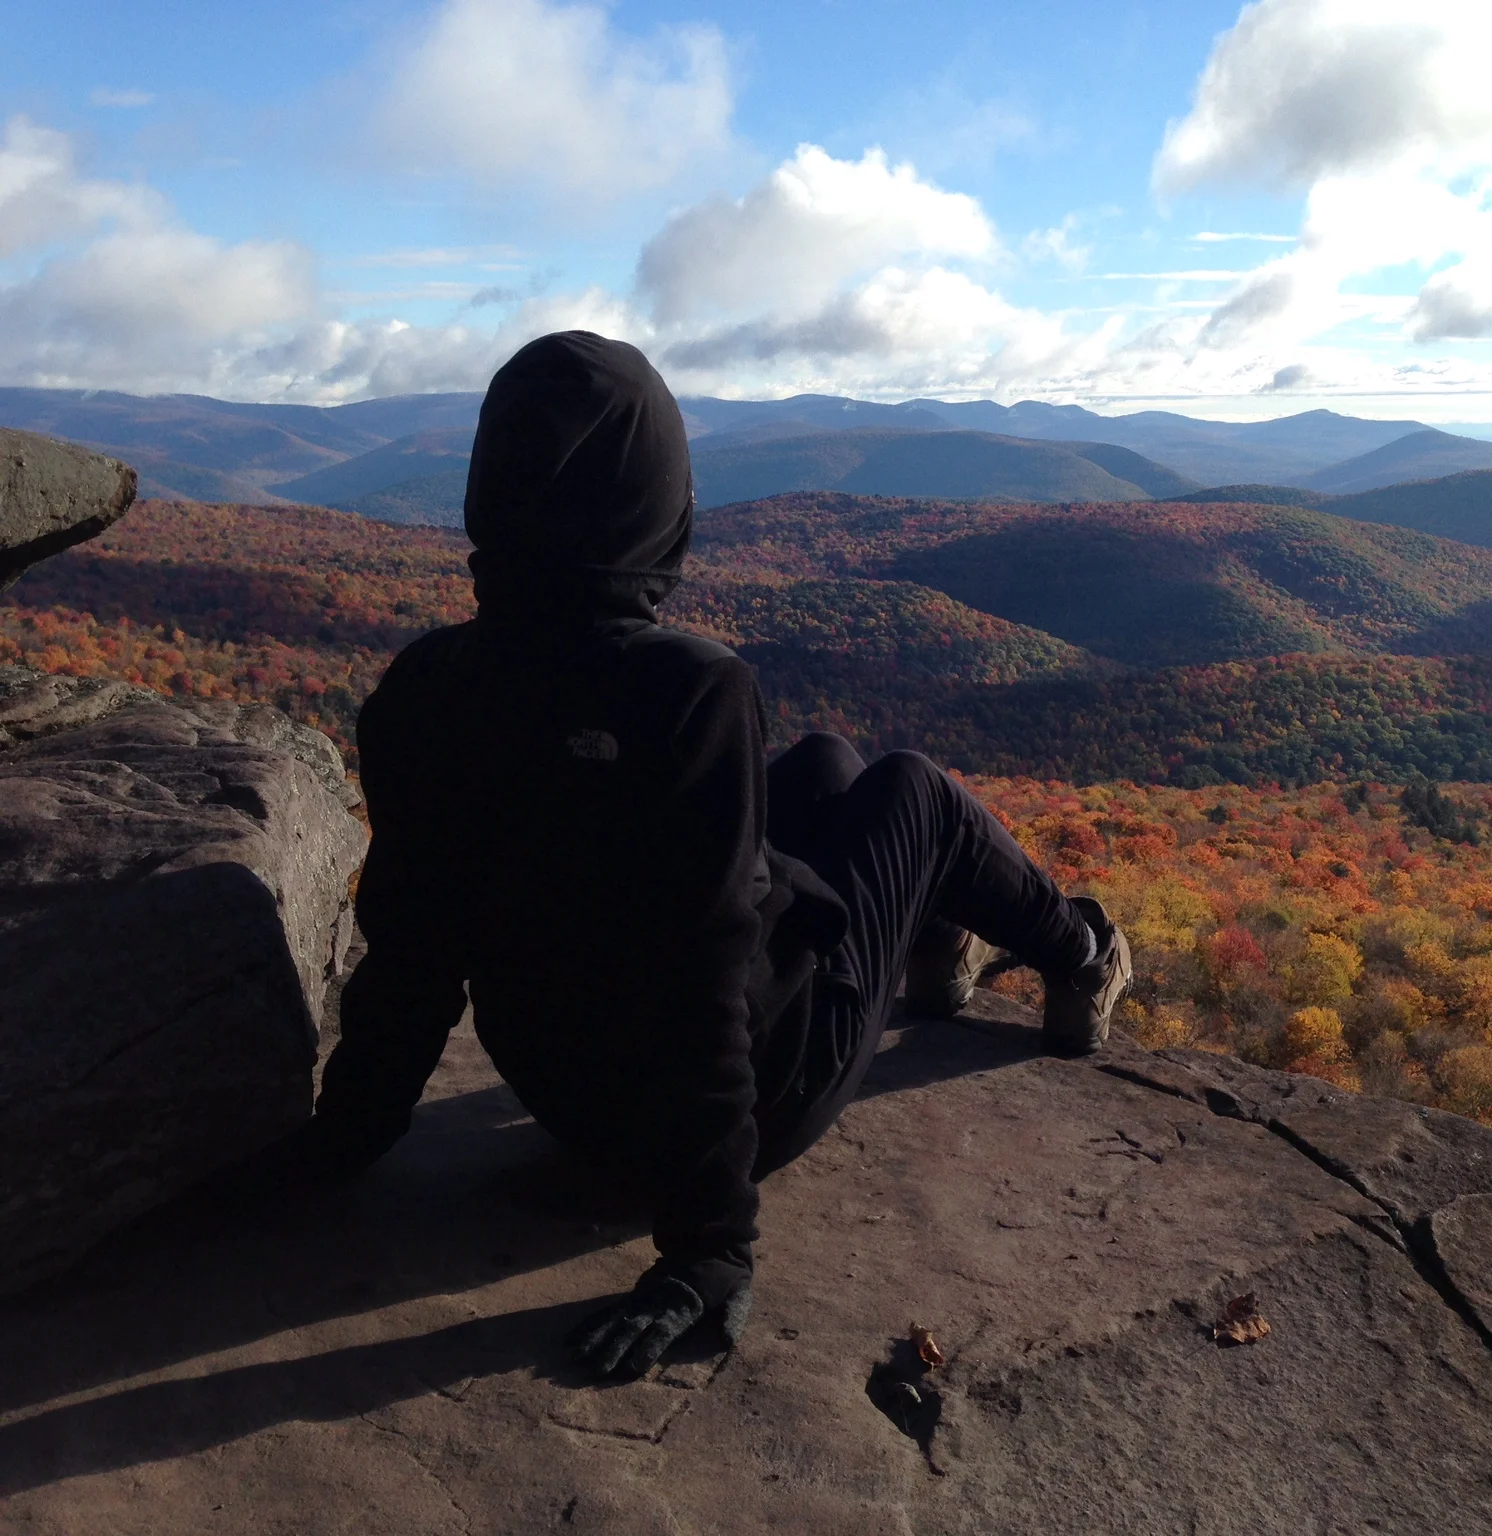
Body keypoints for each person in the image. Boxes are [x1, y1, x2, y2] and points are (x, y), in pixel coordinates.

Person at [255, 331, 1131, 1380]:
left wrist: (342, 1141)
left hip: (572, 1102)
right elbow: (698, 980)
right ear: (656, 499)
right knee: (911, 791)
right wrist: (706, 1250)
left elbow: (410, 946)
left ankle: (944, 945)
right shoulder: (685, 688)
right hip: (762, 1096)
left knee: (818, 763)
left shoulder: (424, 687)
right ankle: (1082, 951)